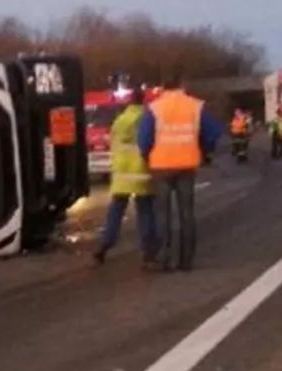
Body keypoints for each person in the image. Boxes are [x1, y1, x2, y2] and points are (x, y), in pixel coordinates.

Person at [138, 75, 223, 272]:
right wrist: (203, 150)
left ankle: (165, 259)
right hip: (187, 165)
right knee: (187, 213)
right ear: (182, 86)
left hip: (161, 166)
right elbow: (213, 133)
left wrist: (147, 156)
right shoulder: (195, 106)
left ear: (163, 87)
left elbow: (143, 140)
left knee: (163, 214)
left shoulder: (155, 107)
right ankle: (186, 260)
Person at [92, 87, 158, 269]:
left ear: (129, 101)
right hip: (142, 172)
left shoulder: (120, 121)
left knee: (115, 212)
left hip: (122, 173)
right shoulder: (149, 119)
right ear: (143, 100)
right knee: (145, 213)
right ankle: (148, 253)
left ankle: (104, 245)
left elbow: (113, 142)